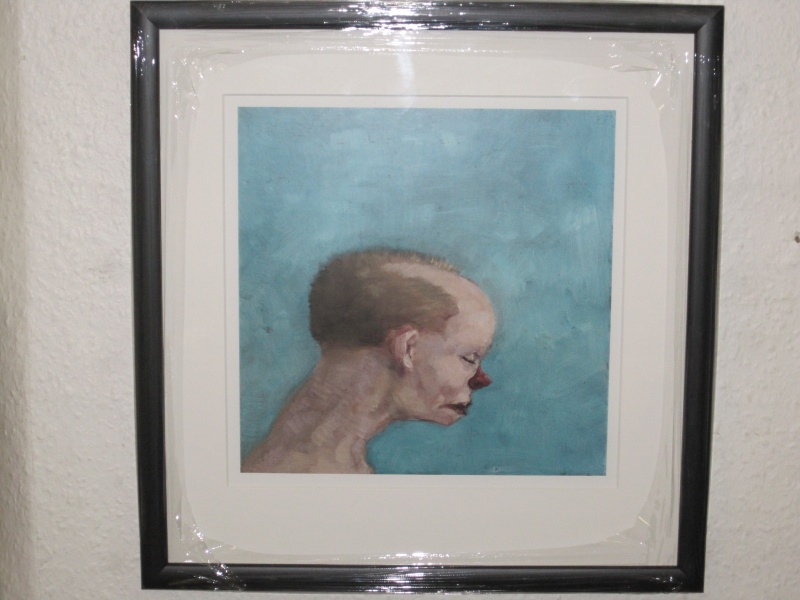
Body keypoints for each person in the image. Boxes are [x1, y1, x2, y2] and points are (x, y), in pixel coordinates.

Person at [241, 248, 495, 474]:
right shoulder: (316, 475)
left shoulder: (295, 463)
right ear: (407, 348)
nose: (482, 379)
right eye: (469, 358)